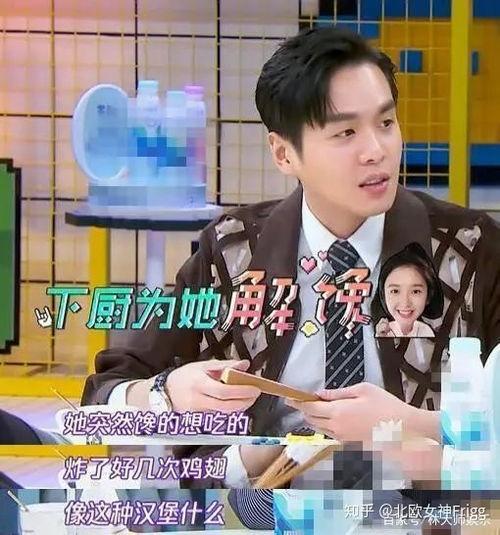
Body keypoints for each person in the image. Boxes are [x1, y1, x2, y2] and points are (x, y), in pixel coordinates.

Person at [78, 25, 500, 489]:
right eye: (345, 132)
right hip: (268, 506)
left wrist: (411, 426)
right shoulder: (232, 251)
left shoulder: (470, 247)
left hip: (425, 509)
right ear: (283, 153)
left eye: (385, 123)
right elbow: (103, 396)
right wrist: (167, 393)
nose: (376, 151)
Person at [374, 242, 443, 338]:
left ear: (428, 296)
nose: (405, 303)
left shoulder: (425, 331)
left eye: (415, 291)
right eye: (395, 291)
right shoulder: (383, 331)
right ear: (383, 295)